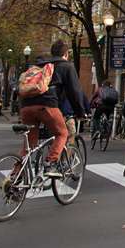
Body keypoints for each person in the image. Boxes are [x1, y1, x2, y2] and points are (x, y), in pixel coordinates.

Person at [20, 41, 86, 179]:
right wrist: (80, 112)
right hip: (46, 106)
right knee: (62, 133)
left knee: (30, 145)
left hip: (25, 106)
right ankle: (51, 163)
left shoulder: (39, 65)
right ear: (66, 54)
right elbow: (74, 92)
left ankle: (16, 176)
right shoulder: (66, 66)